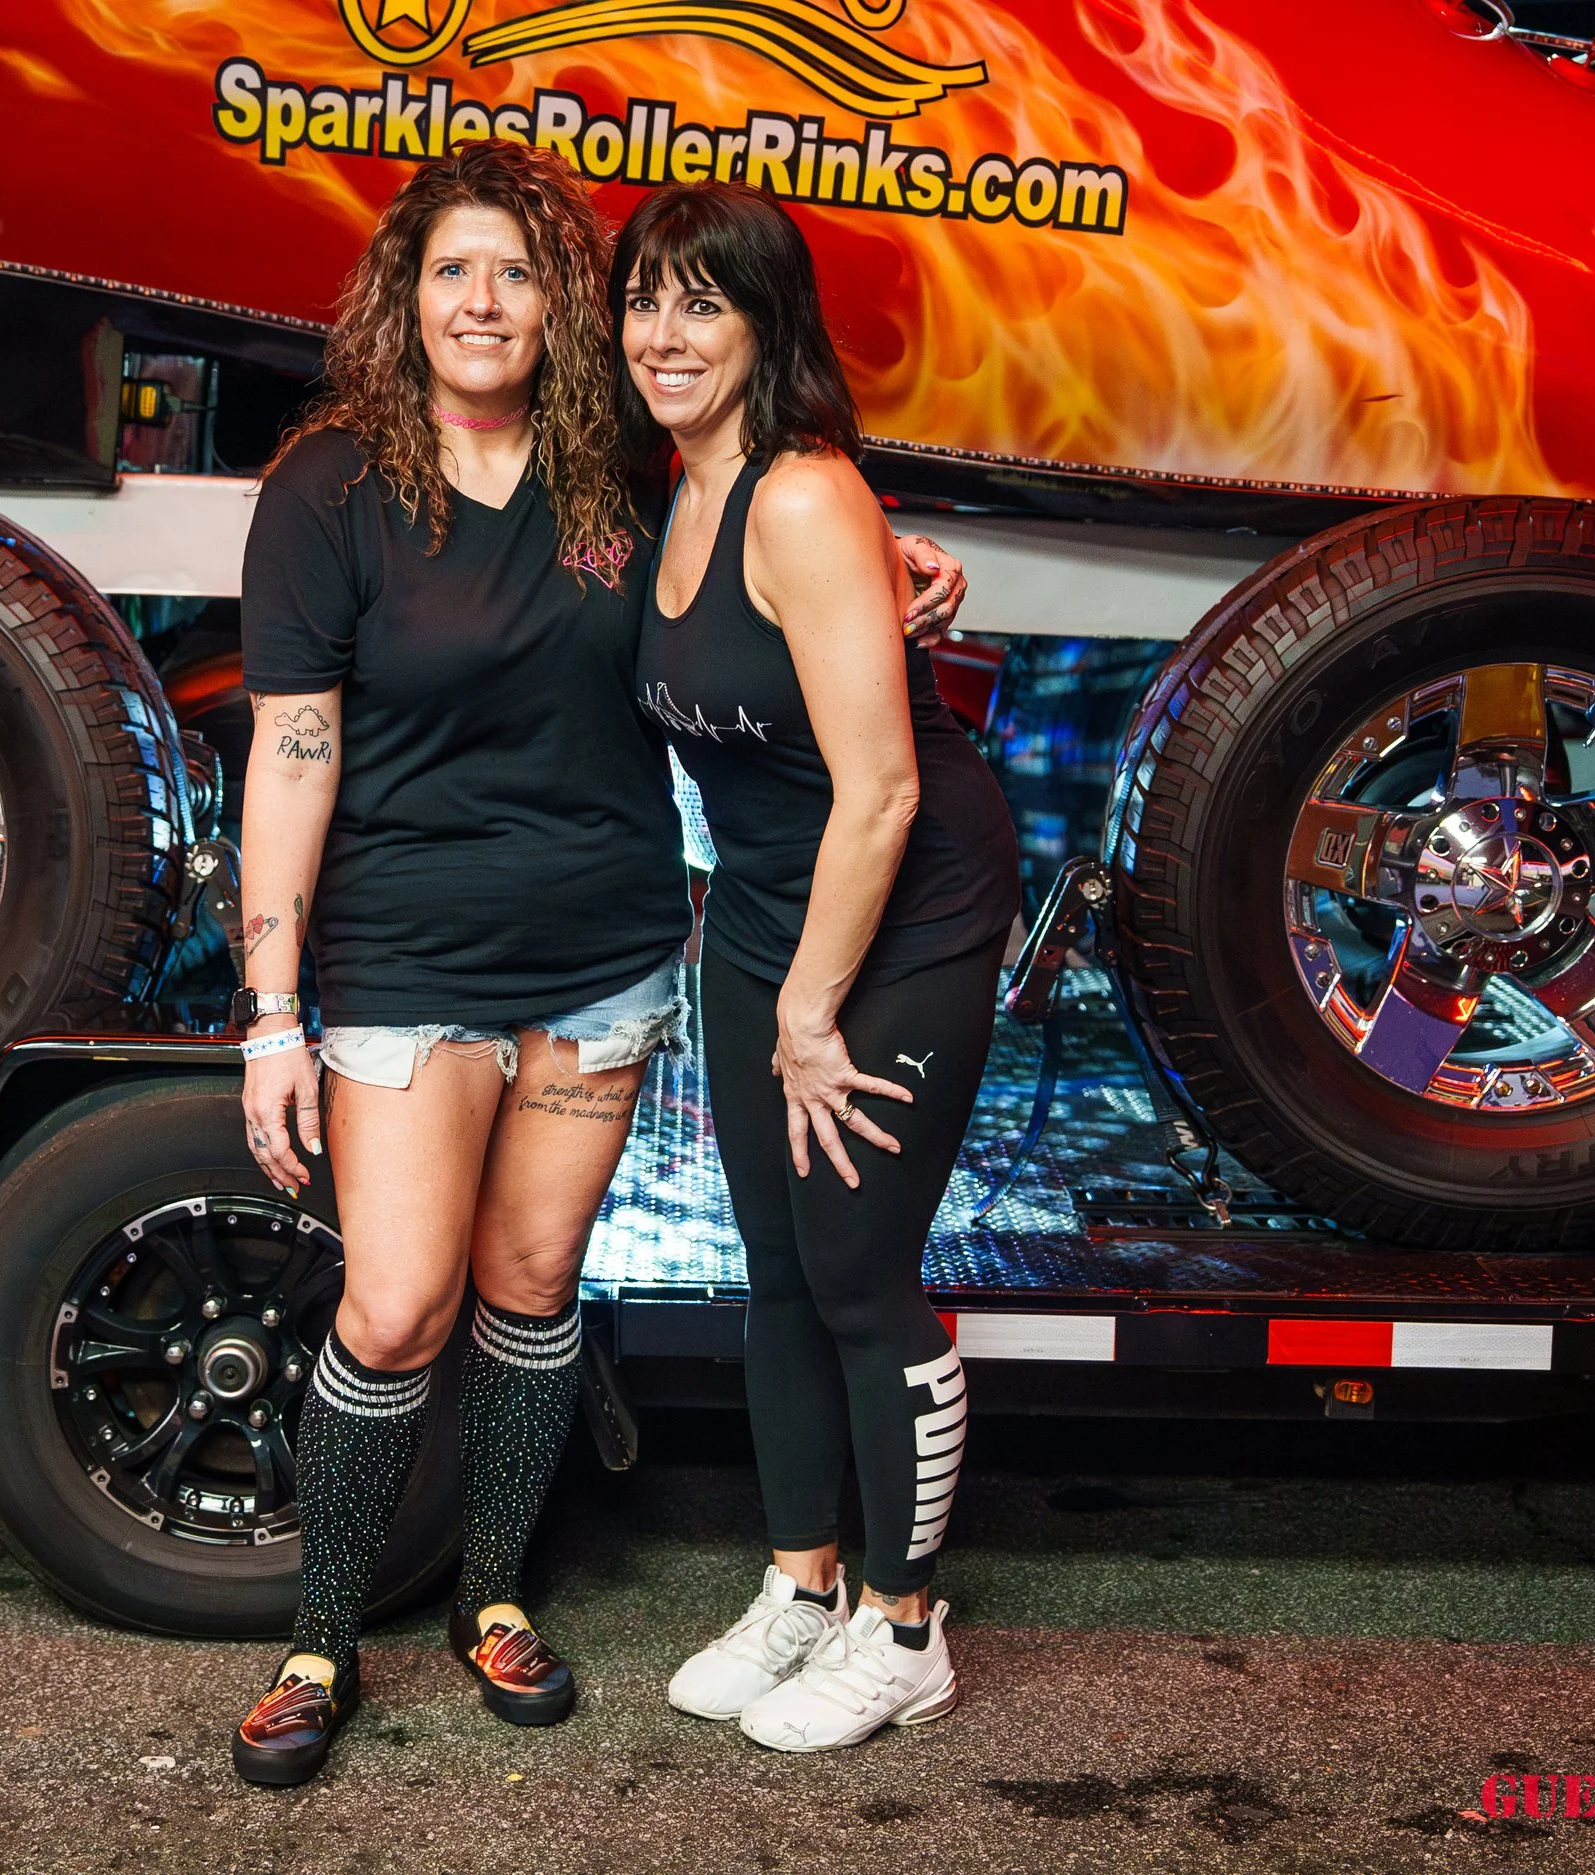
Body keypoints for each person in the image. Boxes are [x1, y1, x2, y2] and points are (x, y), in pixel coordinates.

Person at [228, 143, 972, 1787]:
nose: (485, 303)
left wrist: (897, 560)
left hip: (607, 955)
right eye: (452, 272)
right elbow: (289, 750)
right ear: (403, 297)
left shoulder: (616, 470)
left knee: (534, 1290)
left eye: (519, 273)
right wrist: (272, 1010)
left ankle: (495, 1600)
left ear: (560, 301)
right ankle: (318, 1635)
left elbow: (777, 512)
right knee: (399, 1298)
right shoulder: (331, 485)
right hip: (408, 954)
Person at [622, 183, 1021, 1753]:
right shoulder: (680, 482)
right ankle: (802, 1582)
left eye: (703, 303)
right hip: (774, 902)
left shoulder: (798, 493)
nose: (666, 333)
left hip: (901, 900)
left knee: (858, 1267)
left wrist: (805, 1008)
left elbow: (888, 790)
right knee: (773, 1260)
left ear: (766, 323)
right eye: (647, 299)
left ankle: (905, 1622)